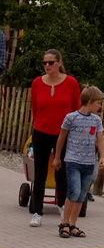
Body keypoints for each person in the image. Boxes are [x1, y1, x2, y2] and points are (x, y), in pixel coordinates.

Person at [28, 48, 80, 227]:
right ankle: (37, 212)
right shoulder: (36, 83)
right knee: (40, 172)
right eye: (44, 63)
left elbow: (76, 109)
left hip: (64, 133)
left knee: (62, 171)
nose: (47, 66)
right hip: (41, 130)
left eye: (50, 62)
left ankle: (61, 206)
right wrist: (38, 125)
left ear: (59, 63)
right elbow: (35, 108)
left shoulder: (71, 83)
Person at [53, 85, 104, 238]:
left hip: (89, 163)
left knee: (82, 195)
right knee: (73, 192)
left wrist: (102, 156)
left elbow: (100, 140)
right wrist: (57, 157)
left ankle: (73, 224)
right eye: (98, 103)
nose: (99, 106)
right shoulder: (71, 117)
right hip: (73, 161)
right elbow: (61, 138)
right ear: (89, 101)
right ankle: (64, 222)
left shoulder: (96, 120)